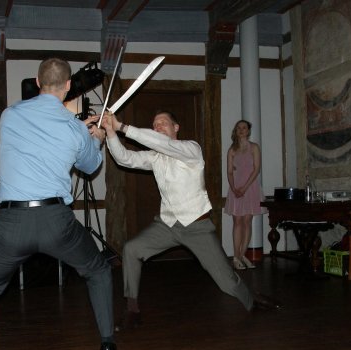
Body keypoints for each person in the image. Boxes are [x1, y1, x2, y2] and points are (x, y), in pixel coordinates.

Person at [0, 58, 118, 350]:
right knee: (98, 269)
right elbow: (90, 166)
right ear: (68, 85)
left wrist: (80, 130)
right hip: (56, 221)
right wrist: (96, 137)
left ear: (38, 82)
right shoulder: (73, 127)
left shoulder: (10, 115)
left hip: (12, 222)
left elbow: (39, 136)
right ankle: (108, 345)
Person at [101, 110, 278, 330]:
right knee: (131, 249)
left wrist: (122, 127)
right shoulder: (155, 156)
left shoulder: (191, 149)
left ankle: (251, 300)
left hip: (197, 226)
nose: (158, 127)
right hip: (166, 224)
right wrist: (110, 132)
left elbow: (163, 143)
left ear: (176, 128)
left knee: (227, 282)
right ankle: (132, 310)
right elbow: (124, 158)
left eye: (163, 123)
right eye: (155, 124)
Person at [225, 120, 263, 271]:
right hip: (236, 188)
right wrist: (234, 188)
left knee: (247, 221)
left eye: (244, 127)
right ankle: (236, 257)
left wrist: (245, 188)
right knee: (237, 221)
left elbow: (256, 169)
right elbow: (229, 171)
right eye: (239, 128)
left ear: (248, 131)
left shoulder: (254, 147)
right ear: (236, 131)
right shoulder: (232, 150)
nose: (241, 130)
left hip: (250, 187)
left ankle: (242, 255)